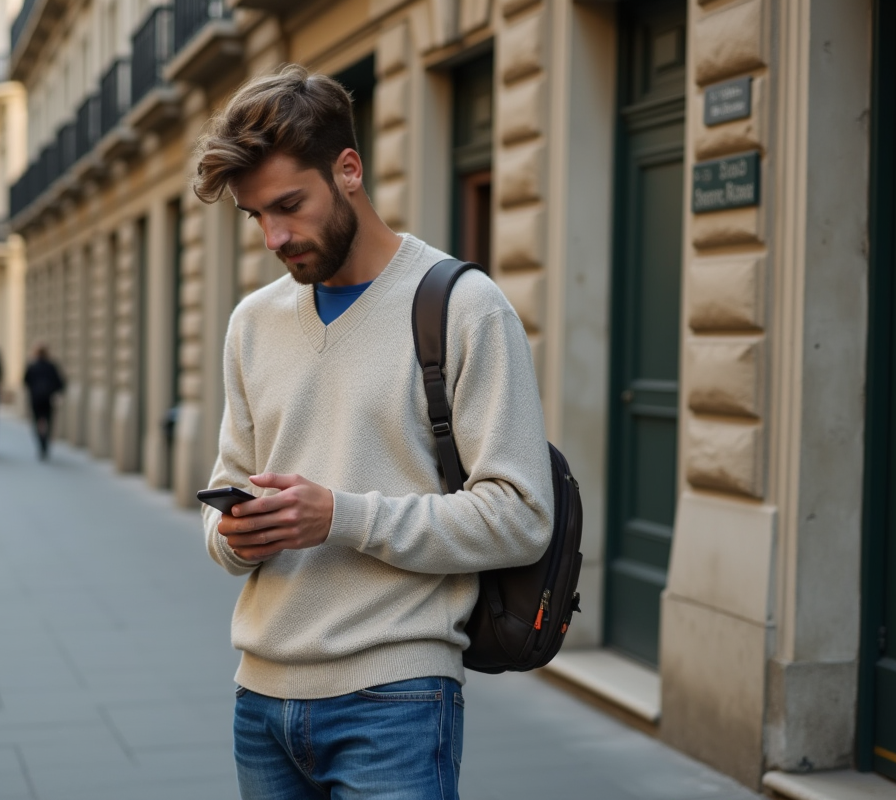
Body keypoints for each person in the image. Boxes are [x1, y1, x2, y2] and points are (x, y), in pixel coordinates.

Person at [192, 65, 554, 800]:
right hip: (259, 703)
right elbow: (220, 505)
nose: (275, 236)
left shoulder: (465, 307)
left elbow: (522, 517)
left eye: (289, 205)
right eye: (257, 216)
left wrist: (340, 515)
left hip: (395, 702)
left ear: (348, 169)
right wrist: (233, 534)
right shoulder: (251, 324)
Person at [22, 343, 65, 460]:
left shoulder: (32, 366)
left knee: (37, 422)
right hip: (48, 399)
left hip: (35, 399)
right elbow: (60, 382)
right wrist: (55, 391)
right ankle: (46, 441)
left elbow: (25, 381)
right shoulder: (51, 366)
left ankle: (41, 443)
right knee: (48, 421)